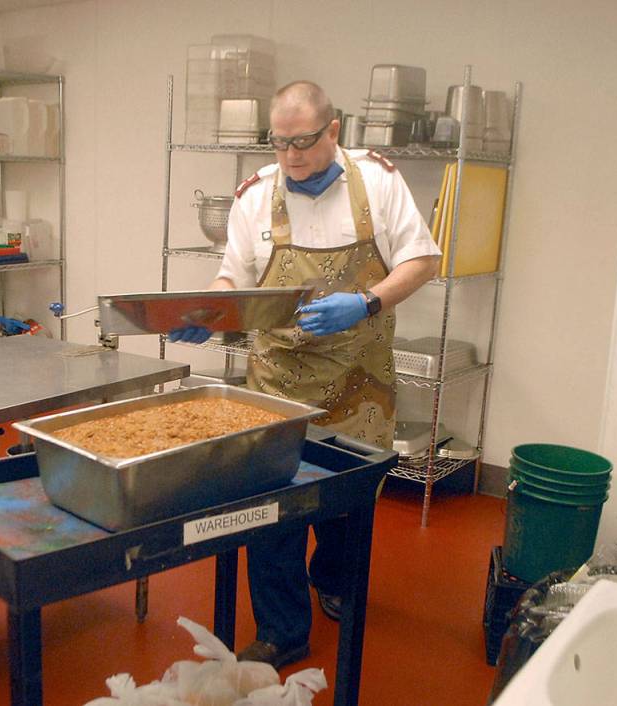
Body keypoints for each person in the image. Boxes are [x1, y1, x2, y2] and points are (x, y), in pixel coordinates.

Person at [169, 80, 441, 668]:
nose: (291, 156)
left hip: (360, 380)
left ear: (334, 129)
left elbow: (423, 259)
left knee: (348, 501)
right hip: (277, 379)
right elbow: (231, 277)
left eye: (305, 142)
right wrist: (207, 313)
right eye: (281, 143)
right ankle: (283, 631)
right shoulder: (255, 196)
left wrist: (366, 301)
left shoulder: (379, 182)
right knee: (271, 505)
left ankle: (334, 578)